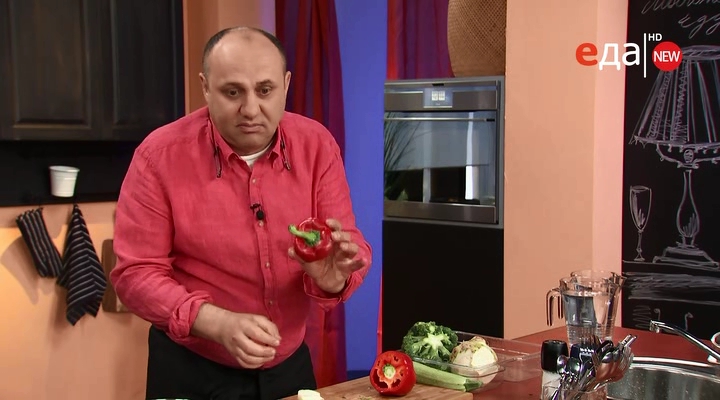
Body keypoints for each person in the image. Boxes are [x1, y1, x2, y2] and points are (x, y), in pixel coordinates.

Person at [110, 26, 372, 400]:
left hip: (289, 369)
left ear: (286, 84)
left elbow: (351, 246)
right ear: (205, 87)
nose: (250, 110)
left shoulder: (316, 145)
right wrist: (215, 322)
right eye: (233, 92)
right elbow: (135, 274)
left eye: (265, 90)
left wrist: (332, 279)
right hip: (191, 370)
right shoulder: (158, 157)